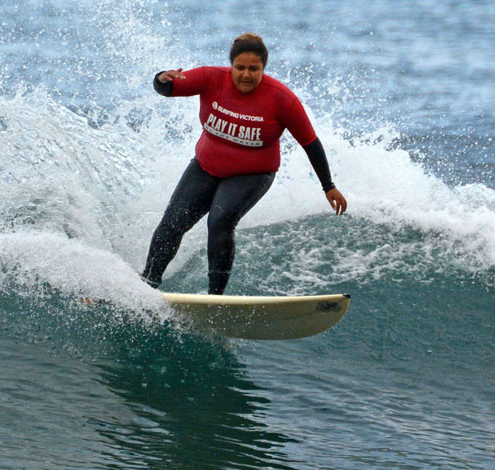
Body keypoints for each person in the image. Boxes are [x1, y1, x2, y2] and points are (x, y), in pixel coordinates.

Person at [142, 33, 347, 295]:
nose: (246, 75)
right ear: (231, 66)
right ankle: (147, 284)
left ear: (263, 68)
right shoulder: (211, 78)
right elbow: (167, 88)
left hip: (252, 174)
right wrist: (162, 78)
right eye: (240, 68)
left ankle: (215, 298)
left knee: (220, 221)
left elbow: (310, 143)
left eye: (254, 69)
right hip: (205, 167)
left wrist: (328, 186)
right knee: (172, 223)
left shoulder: (282, 99)